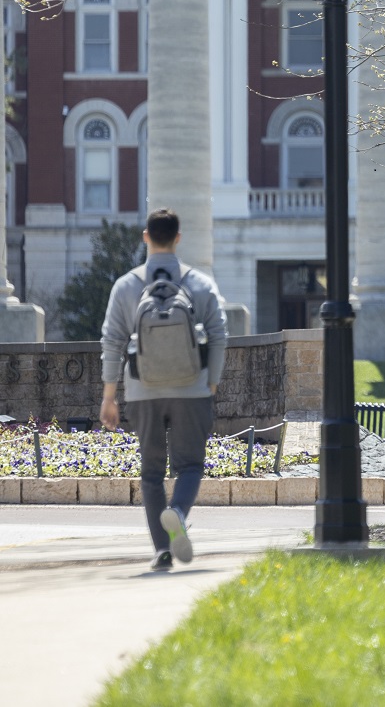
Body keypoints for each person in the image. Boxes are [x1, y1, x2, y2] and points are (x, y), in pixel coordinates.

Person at [100, 208, 229, 571]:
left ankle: (163, 551)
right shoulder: (200, 283)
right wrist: (211, 382)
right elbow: (219, 334)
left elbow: (111, 342)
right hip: (191, 389)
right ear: (178, 238)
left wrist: (109, 397)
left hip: (143, 390)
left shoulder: (126, 285)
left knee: (152, 472)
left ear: (146, 237)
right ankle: (177, 512)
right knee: (189, 466)